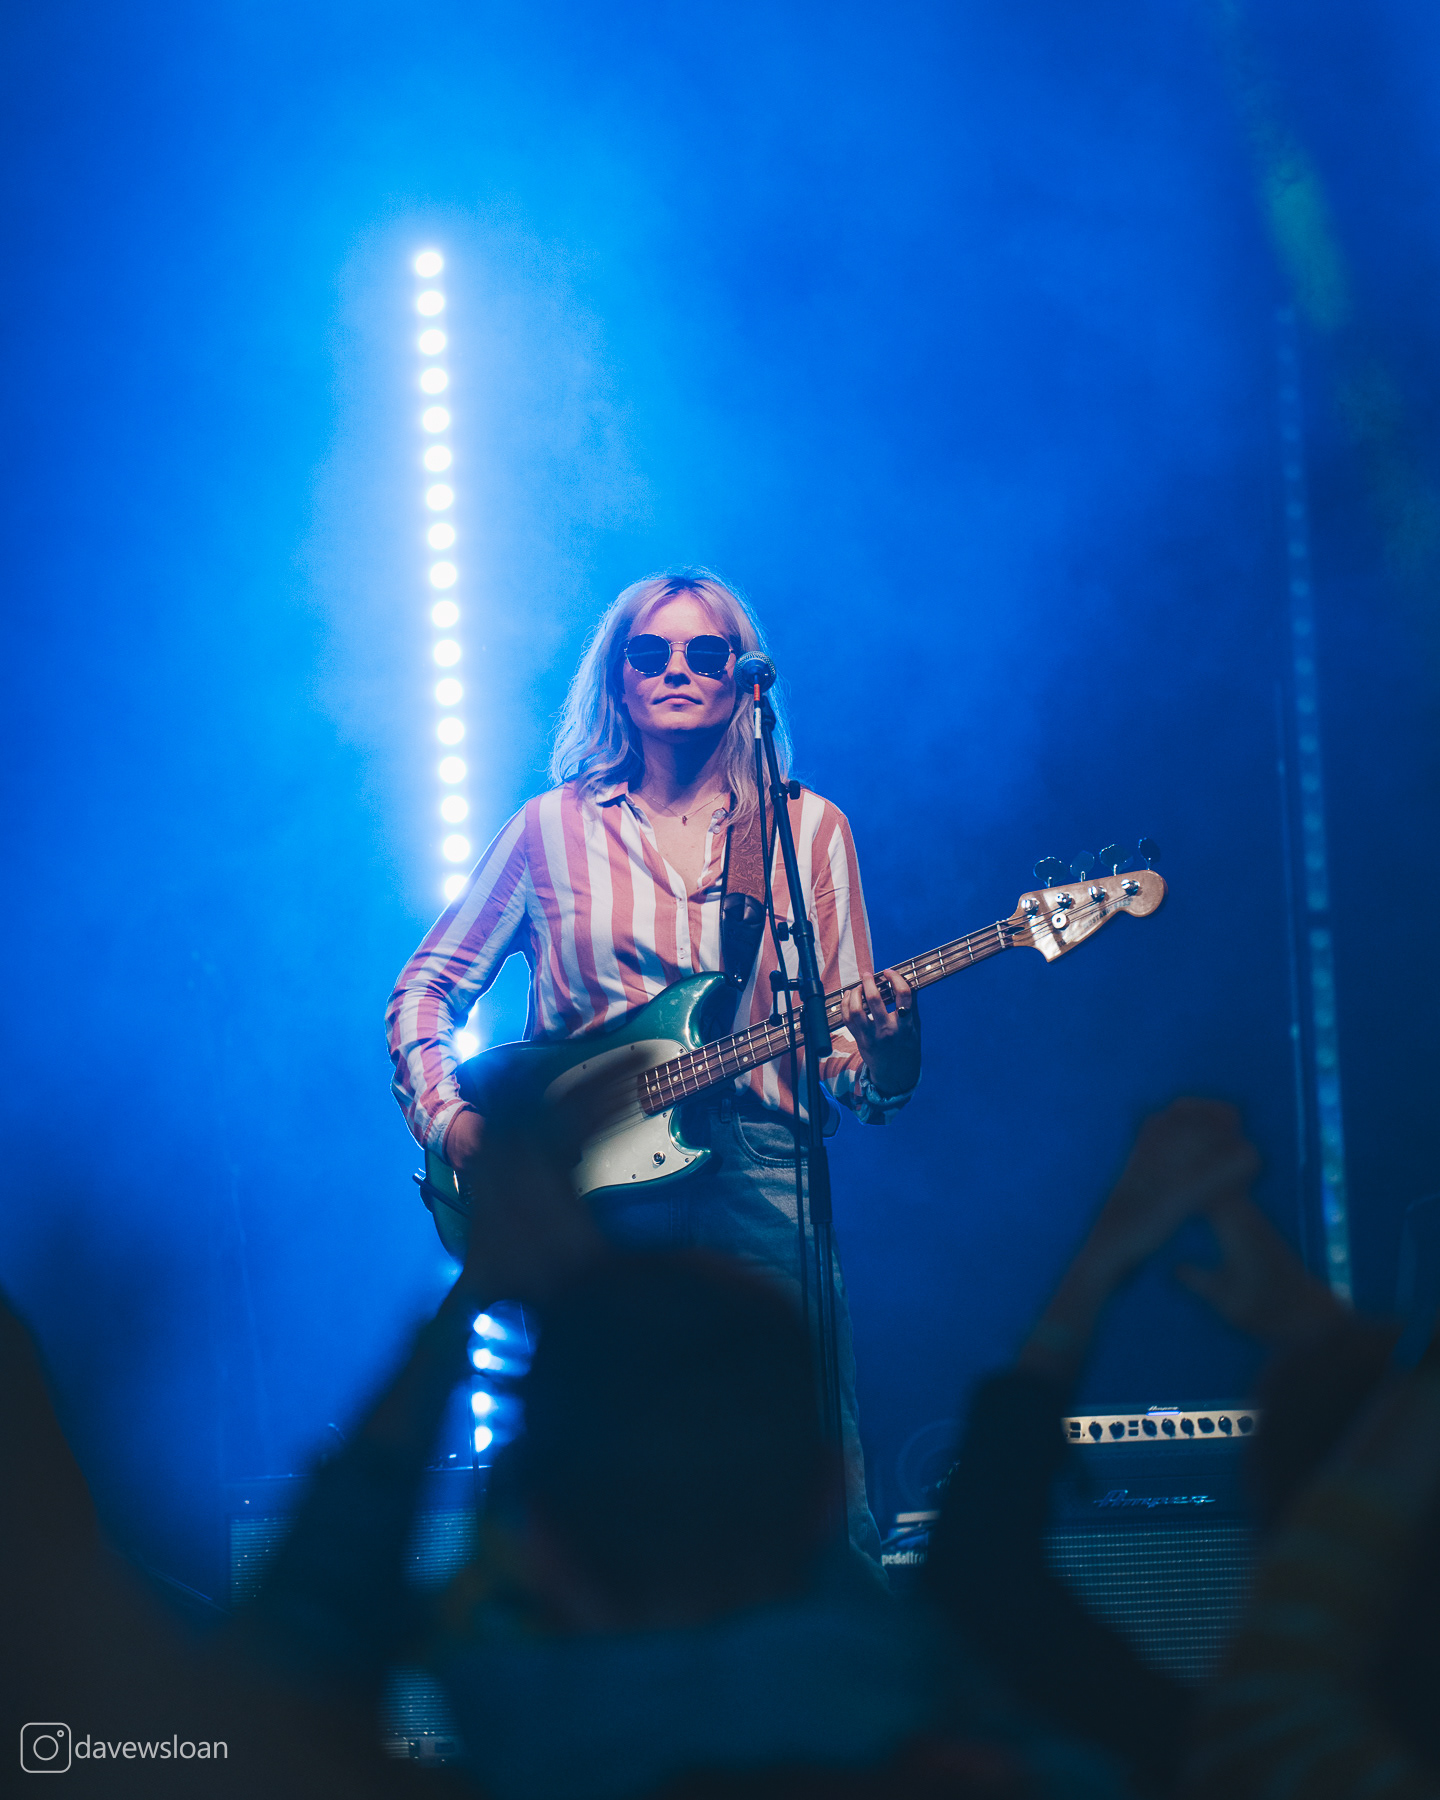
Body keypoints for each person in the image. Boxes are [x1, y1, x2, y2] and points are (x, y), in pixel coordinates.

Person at [386, 569, 922, 1556]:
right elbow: (425, 988)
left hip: (764, 1174)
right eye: (650, 652)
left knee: (801, 1477)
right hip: (592, 1193)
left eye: (706, 654)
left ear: (743, 680)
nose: (678, 670)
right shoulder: (549, 830)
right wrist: (452, 1123)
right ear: (617, 679)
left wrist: (889, 1050)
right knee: (595, 1472)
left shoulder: (806, 830)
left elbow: (851, 1062)